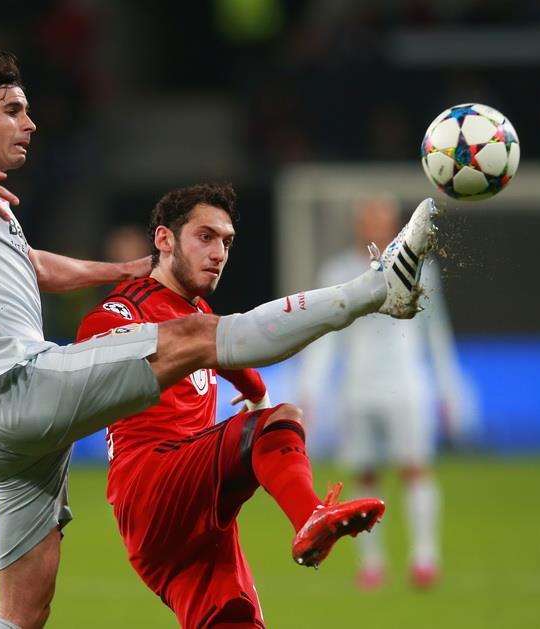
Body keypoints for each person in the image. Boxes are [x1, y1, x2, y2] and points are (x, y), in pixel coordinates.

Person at [0, 46, 438, 629]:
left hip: (7, 434)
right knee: (197, 334)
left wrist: (123, 269)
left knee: (24, 612)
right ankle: (376, 289)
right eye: (12, 110)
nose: (29, 123)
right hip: (17, 387)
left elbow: (33, 266)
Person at [75, 183, 370, 627]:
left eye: (226, 242)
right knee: (280, 420)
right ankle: (311, 516)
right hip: (152, 484)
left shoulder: (199, 317)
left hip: (194, 518)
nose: (218, 253)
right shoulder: (126, 308)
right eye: (205, 237)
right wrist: (263, 411)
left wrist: (256, 394)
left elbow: (233, 355)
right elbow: (93, 339)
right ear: (164, 240)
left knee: (234, 621)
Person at [297, 193, 471, 590]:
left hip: (406, 386)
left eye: (381, 220)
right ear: (358, 225)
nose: (373, 227)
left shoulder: (419, 269)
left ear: (395, 225)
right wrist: (310, 389)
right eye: (367, 220)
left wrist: (449, 389)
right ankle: (372, 564)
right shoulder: (338, 270)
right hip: (357, 389)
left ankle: (424, 557)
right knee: (365, 475)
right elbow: (325, 337)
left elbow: (436, 333)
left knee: (414, 468)